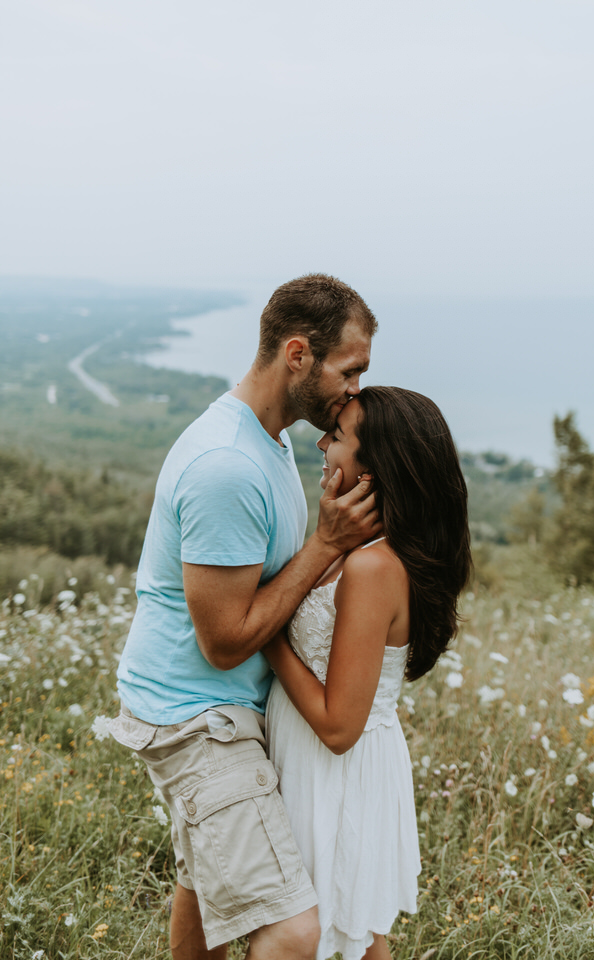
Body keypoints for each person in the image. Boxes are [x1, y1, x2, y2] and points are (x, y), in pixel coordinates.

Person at [108, 274, 382, 960]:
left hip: (207, 704)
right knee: (292, 930)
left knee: (203, 887)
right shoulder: (228, 464)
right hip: (197, 716)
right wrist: (327, 544)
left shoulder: (271, 438)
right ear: (298, 356)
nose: (355, 391)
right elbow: (226, 642)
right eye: (349, 370)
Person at [265, 386, 472, 960]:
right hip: (307, 753)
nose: (321, 442)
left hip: (335, 769)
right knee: (349, 936)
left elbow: (338, 727)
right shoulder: (353, 544)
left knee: (326, 934)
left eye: (339, 436)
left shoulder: (374, 567)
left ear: (376, 467)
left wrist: (264, 634)